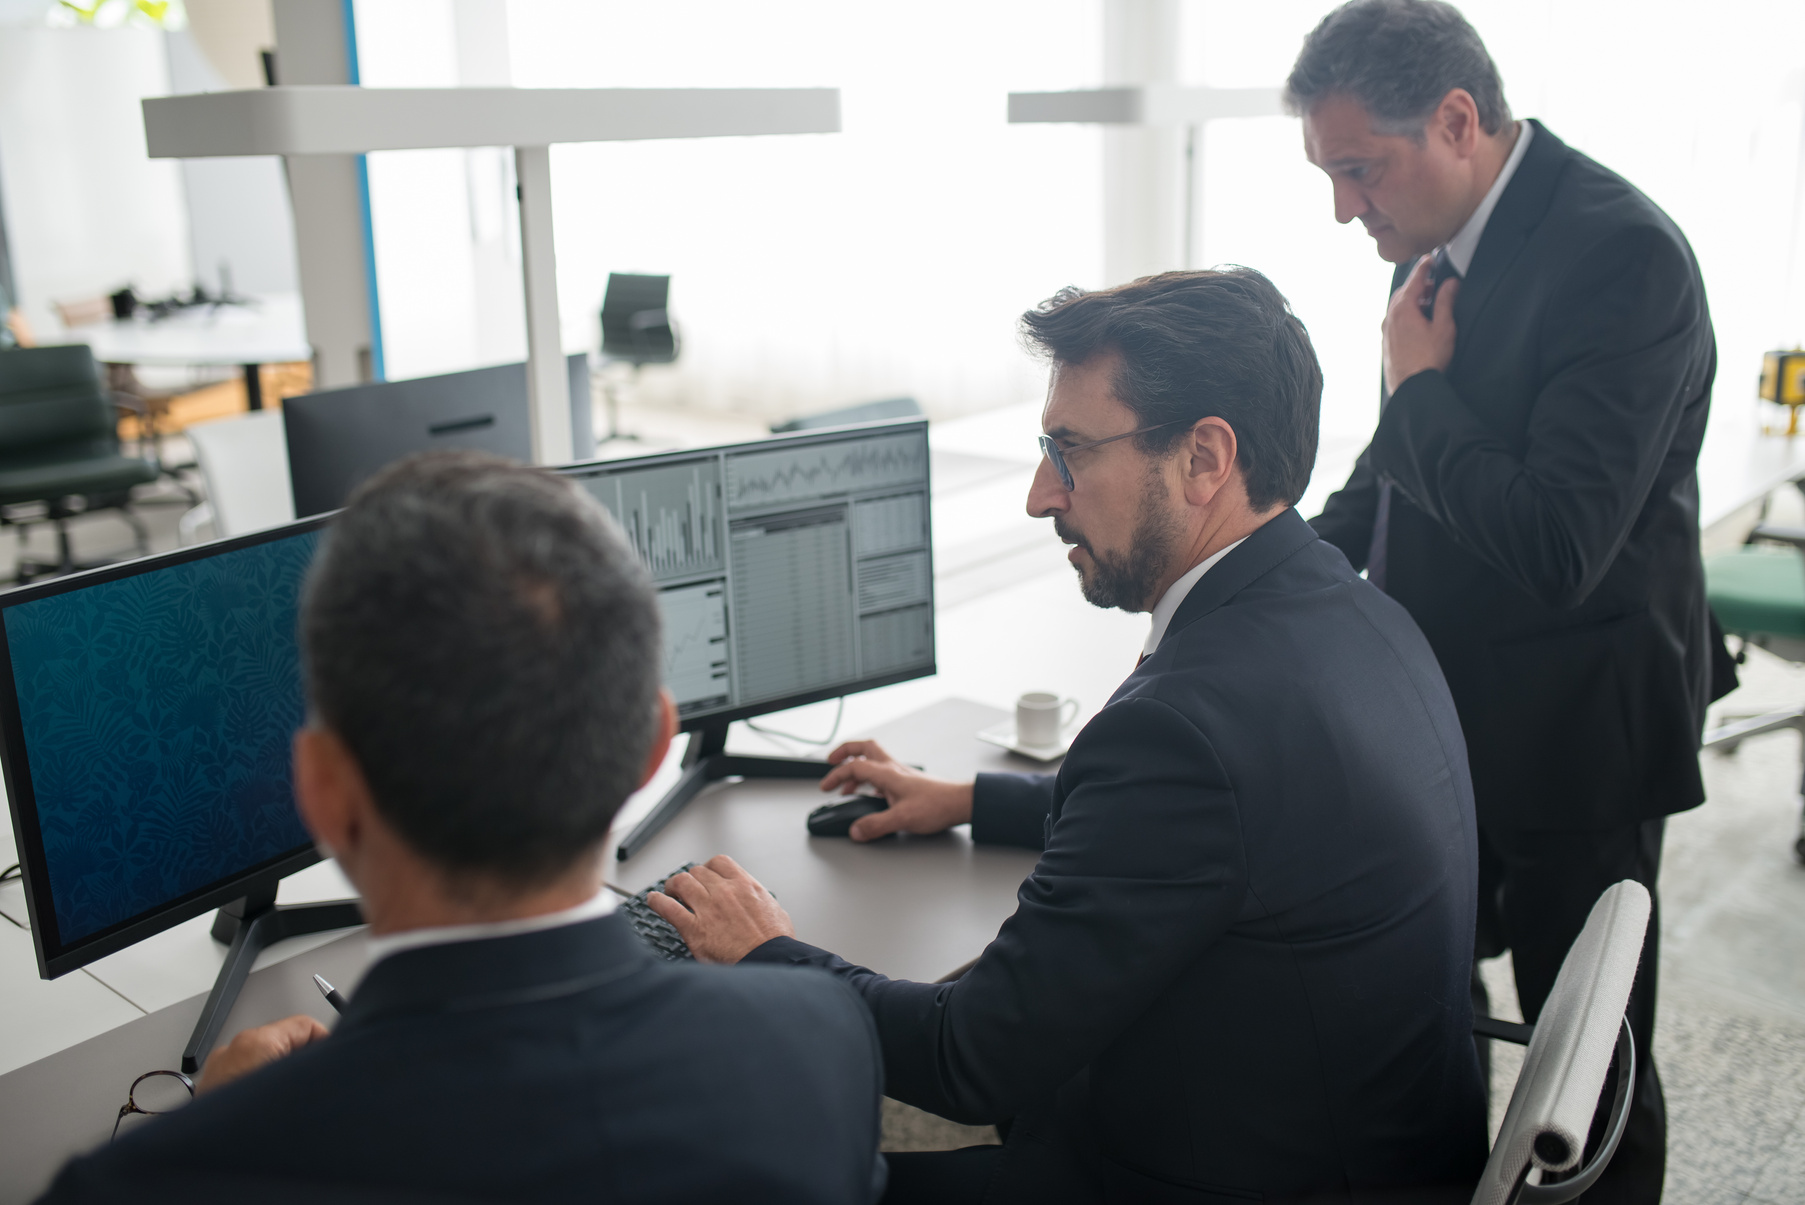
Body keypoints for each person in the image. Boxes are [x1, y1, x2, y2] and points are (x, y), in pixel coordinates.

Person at [650, 269, 1488, 1204]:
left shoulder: (1182, 728)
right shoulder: (1349, 609)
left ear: (1205, 458)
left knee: (739, 1175)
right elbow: (1232, 821)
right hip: (1365, 1138)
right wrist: (971, 799)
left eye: (1070, 451)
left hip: (1220, 1171)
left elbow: (968, 1060)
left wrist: (767, 956)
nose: (1041, 496)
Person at [38, 453, 886, 1204]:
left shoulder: (142, 1183)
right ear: (650, 747)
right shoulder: (820, 1033)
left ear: (320, 790)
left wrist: (220, 1129)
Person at [1287, 3, 1720, 1201]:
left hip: (1580, 724)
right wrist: (1269, 574)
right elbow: (1394, 478)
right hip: (1449, 707)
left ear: (1456, 121)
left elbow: (1554, 539)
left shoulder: (1621, 256)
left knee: (1584, 1064)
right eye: (1327, 177)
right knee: (1428, 995)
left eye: (1355, 171)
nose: (1343, 208)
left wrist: (1416, 389)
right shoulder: (1438, 246)